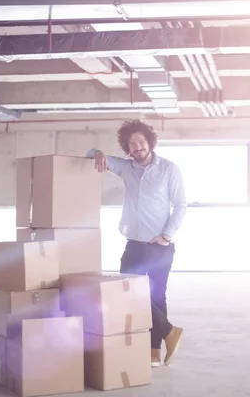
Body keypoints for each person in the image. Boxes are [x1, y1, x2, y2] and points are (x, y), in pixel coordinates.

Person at [87, 120, 187, 367]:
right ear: (127, 148)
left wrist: (166, 235)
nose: (138, 147)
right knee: (128, 292)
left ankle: (153, 352)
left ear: (150, 143)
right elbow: (91, 155)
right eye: (132, 144)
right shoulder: (126, 168)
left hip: (160, 246)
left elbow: (181, 205)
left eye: (141, 142)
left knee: (157, 297)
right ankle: (169, 331)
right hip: (134, 244)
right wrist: (96, 153)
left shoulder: (168, 169)